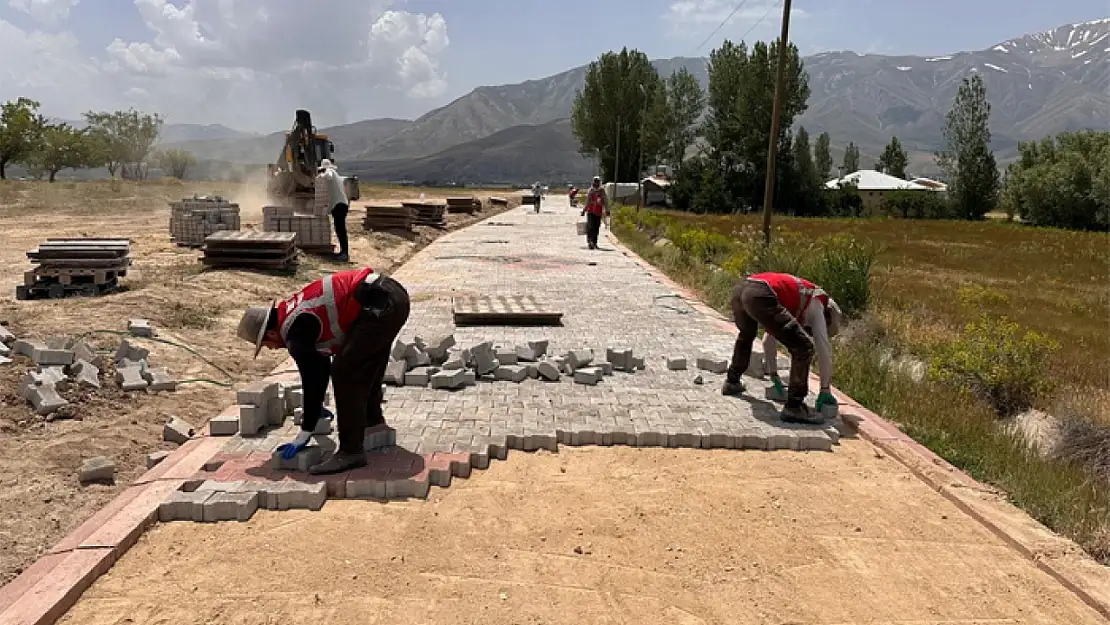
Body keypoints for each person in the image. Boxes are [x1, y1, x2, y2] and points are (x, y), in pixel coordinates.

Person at [236, 267, 411, 474]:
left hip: (380, 305)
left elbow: (312, 377)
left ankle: (351, 452)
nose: (272, 349)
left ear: (271, 333)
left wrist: (306, 431)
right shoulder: (294, 312)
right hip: (391, 295)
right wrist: (315, 408)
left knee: (345, 372)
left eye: (266, 344)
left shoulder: (294, 333)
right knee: (364, 358)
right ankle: (372, 420)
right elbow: (319, 367)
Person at [722, 272, 842, 425]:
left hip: (743, 289)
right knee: (804, 347)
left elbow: (767, 341)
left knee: (747, 334)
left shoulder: (793, 298)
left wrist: (774, 375)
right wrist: (825, 389)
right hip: (760, 294)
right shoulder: (817, 303)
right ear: (828, 316)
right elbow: (824, 349)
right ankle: (795, 407)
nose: (809, 329)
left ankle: (732, 381)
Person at [317, 159, 350, 262]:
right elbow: (331, 196)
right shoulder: (336, 178)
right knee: (339, 229)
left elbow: (328, 175)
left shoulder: (330, 172)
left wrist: (321, 176)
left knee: (340, 229)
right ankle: (343, 252)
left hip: (340, 205)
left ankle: (344, 254)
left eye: (322, 169)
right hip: (340, 205)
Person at [581, 176, 608, 250]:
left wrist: (607, 210)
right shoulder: (591, 190)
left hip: (598, 212)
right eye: (595, 181)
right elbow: (587, 201)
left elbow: (605, 201)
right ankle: (590, 242)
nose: (596, 183)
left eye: (597, 181)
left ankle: (595, 242)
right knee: (590, 227)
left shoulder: (602, 191)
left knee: (596, 227)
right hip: (591, 211)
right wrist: (584, 210)